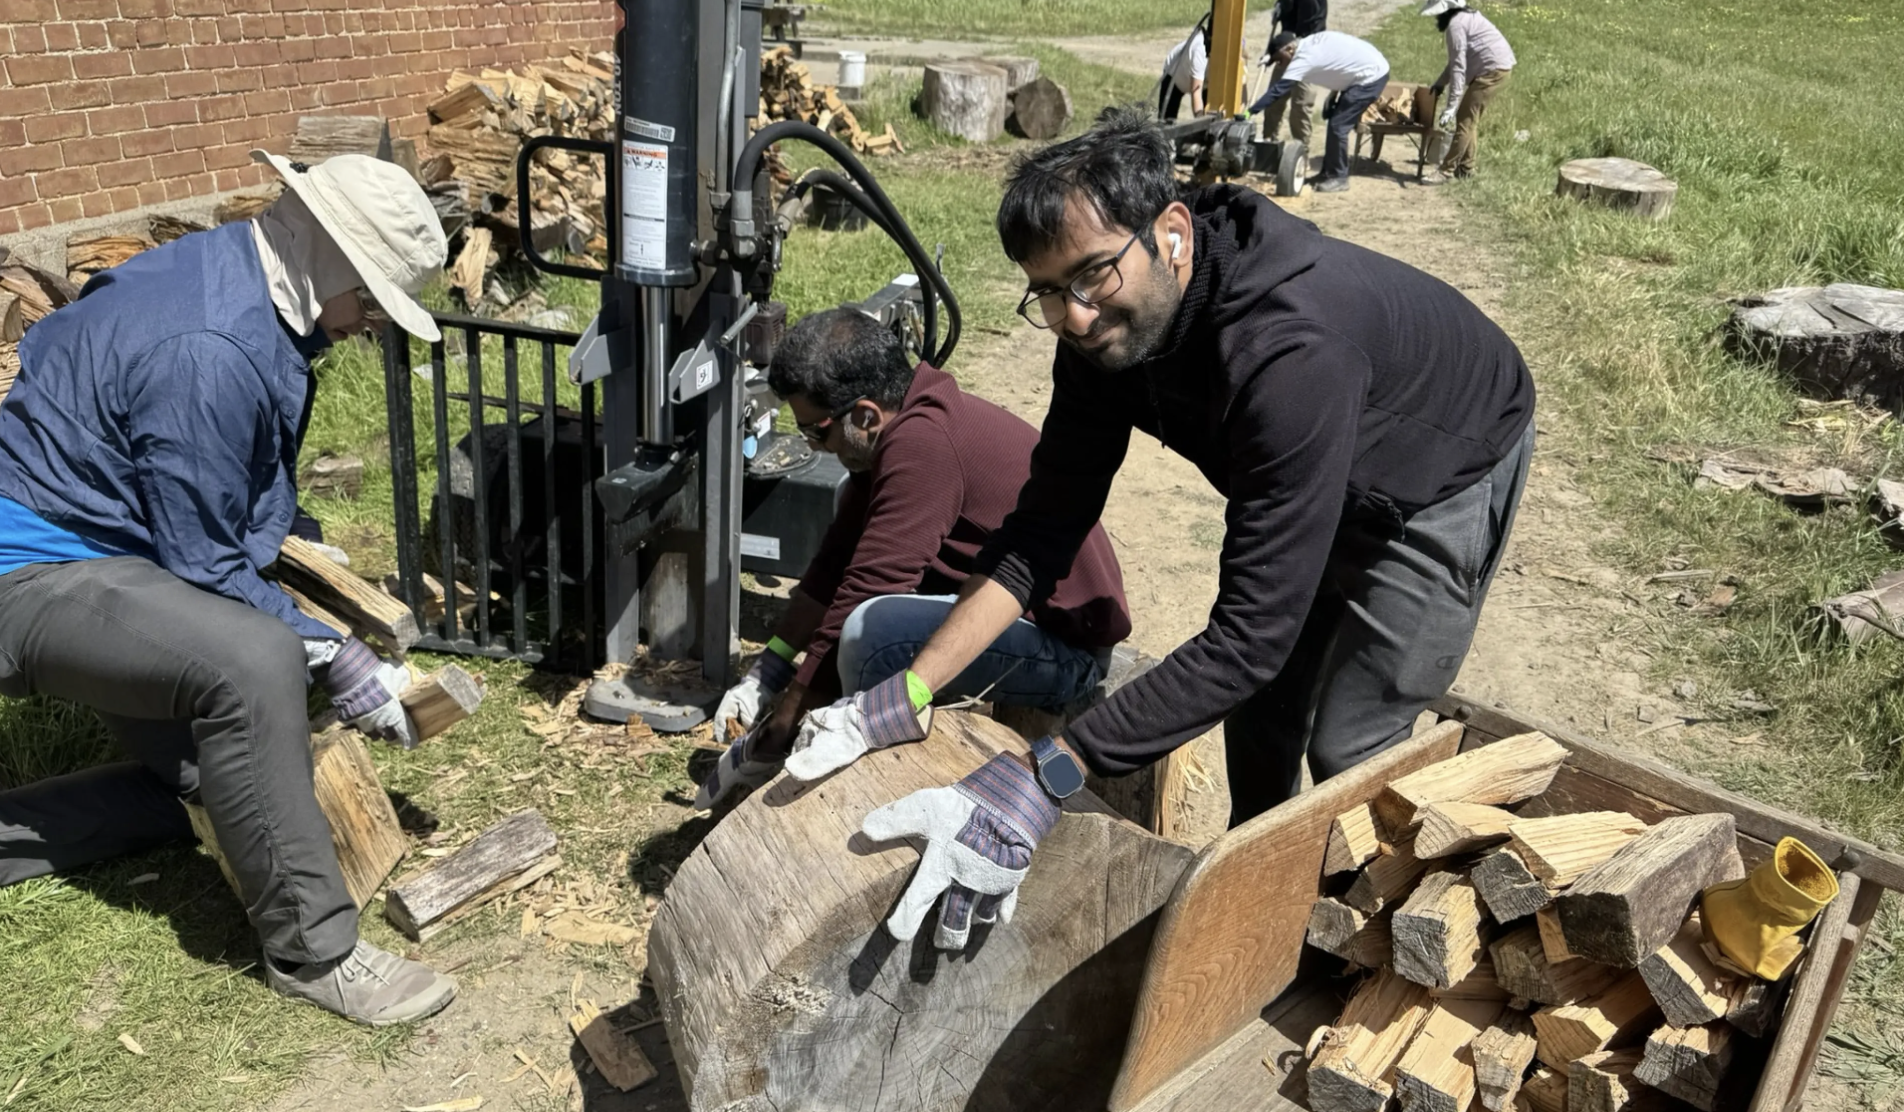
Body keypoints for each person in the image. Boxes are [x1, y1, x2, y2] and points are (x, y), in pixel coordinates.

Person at [781, 110, 1535, 953]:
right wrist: (908, 691)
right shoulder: (1103, 332)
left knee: (1351, 740)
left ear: (1170, 231)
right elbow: (1039, 537)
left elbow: (1247, 635)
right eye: (1047, 290)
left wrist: (1045, 773)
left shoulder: (1288, 352)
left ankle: (1373, 950)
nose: (1071, 315)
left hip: (1439, 464)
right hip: (1316, 455)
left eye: (1093, 276)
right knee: (1262, 720)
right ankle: (1273, 915)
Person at [0, 152, 458, 1027]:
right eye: (370, 301)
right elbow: (204, 562)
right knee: (251, 666)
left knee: (228, 785)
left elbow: (217, 497)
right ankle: (316, 951)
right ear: (334, 260)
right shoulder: (210, 346)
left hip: (104, 545)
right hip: (31, 568)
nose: (366, 324)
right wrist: (336, 655)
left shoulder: (240, 273)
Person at [695, 308, 1131, 810]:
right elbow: (834, 565)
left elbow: (869, 590)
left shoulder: (923, 446)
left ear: (863, 414)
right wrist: (767, 670)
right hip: (1017, 620)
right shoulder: (902, 421)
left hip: (1066, 649)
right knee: (860, 609)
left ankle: (852, 797)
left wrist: (782, 728)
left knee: (869, 637)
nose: (817, 447)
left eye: (817, 433)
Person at [1251, 29, 1389, 192]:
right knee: (1335, 123)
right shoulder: (1307, 44)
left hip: (1370, 77)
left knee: (1338, 126)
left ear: (1290, 49)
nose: (1280, 65)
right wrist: (1270, 59)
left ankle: (1339, 177)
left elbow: (1277, 91)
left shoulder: (1303, 59)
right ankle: (1327, 173)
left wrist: (1250, 111)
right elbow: (1340, 59)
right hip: (1366, 69)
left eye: (1279, 60)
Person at [1422, 0, 1516, 181]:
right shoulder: (1466, 17)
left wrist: (1451, 105)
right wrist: (1440, 83)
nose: (1436, 18)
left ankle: (1445, 171)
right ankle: (1466, 169)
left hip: (1492, 72)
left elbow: (1458, 67)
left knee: (1464, 120)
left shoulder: (1456, 25)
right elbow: (1457, 61)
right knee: (1468, 120)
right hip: (1498, 67)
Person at [1257, 0, 1327, 150]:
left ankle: (1301, 152)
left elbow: (1312, 29)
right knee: (1273, 101)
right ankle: (1268, 147)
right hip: (1287, 52)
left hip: (1308, 54)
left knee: (1300, 106)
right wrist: (1280, 9)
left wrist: (1280, 50)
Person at [1157, 18, 1211, 120]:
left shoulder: (1233, 56)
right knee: (1165, 123)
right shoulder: (1201, 51)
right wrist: (1201, 124)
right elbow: (1196, 92)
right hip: (1175, 76)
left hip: (1204, 83)